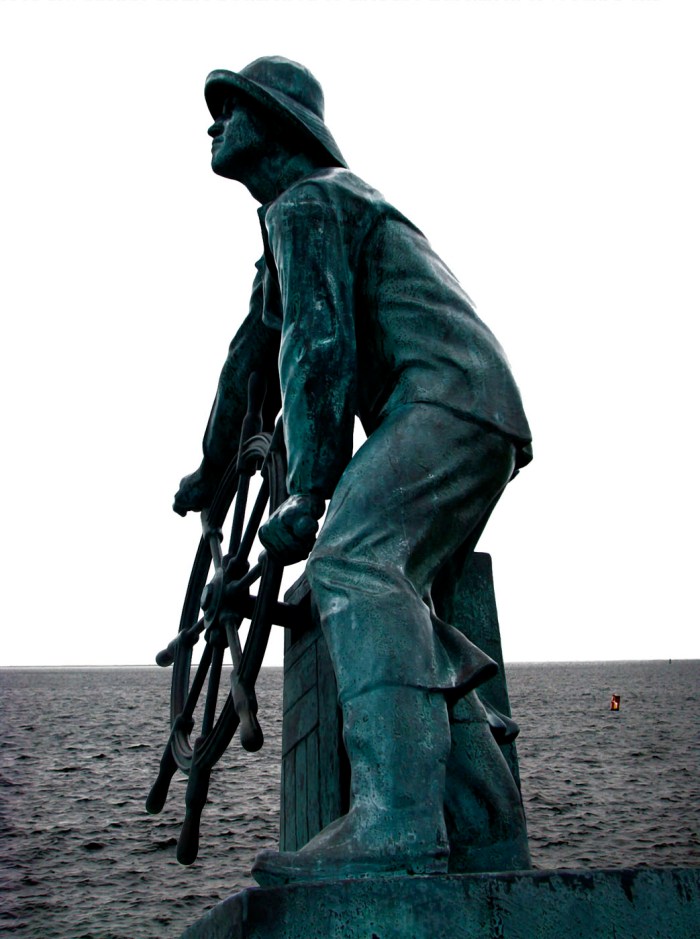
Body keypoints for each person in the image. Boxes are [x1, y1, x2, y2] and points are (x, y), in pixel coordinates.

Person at [174, 56, 533, 886]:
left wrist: (309, 489)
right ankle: (483, 824)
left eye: (232, 109)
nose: (212, 123)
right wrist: (211, 471)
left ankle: (397, 823)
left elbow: (318, 344)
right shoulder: (305, 219)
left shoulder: (312, 202)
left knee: (351, 562)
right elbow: (252, 359)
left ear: (280, 124)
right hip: (477, 410)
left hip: (446, 404)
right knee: (393, 591)